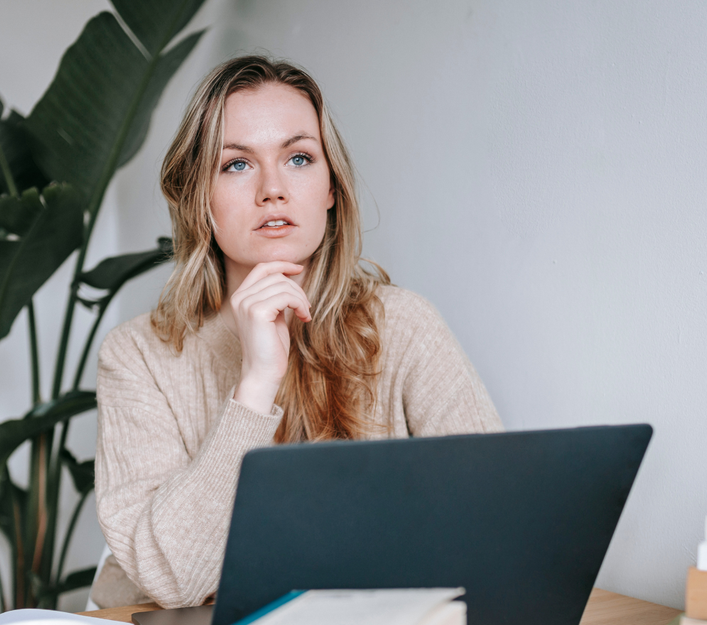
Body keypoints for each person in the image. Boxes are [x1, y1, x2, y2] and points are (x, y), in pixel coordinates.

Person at [90, 55, 502, 610]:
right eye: (236, 165)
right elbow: (173, 582)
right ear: (198, 199)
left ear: (331, 187)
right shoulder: (138, 355)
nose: (272, 190)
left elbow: (498, 522)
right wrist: (256, 383)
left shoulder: (404, 325)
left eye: (300, 158)